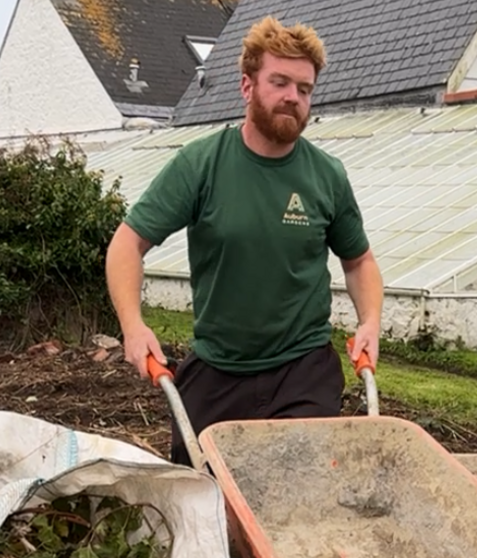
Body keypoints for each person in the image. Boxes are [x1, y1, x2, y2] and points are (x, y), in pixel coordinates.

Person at [104, 15, 384, 469]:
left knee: (301, 489)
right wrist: (133, 328)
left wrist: (370, 320)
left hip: (303, 369)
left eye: (305, 89)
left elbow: (360, 262)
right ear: (247, 86)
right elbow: (127, 244)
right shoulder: (201, 165)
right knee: (202, 493)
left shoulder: (326, 175)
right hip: (220, 367)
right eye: (280, 82)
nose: (293, 97)